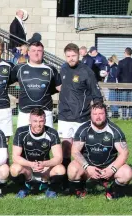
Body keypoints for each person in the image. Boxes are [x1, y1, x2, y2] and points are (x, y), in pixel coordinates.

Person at [58, 43, 103, 187]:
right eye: (68, 56)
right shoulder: (63, 68)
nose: (71, 59)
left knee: (79, 150)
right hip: (65, 115)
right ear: (65, 56)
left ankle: (82, 178)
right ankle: (65, 178)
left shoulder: (87, 71)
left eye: (74, 56)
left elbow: (96, 95)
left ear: (79, 55)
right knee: (65, 147)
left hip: (81, 116)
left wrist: (97, 114)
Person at [68, 102, 132, 199]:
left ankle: (112, 191)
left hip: (108, 168)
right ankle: (81, 189)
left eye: (101, 114)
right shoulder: (83, 129)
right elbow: (75, 151)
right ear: (91, 115)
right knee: (72, 169)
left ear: (106, 114)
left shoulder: (115, 130)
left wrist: (112, 169)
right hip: (88, 168)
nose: (98, 117)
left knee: (127, 173)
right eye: (95, 114)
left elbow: (124, 153)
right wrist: (87, 167)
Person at [10, 108, 65, 198]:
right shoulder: (21, 132)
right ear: (29, 121)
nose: (38, 124)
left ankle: (49, 188)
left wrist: (43, 163)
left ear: (45, 121)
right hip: (28, 168)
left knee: (60, 169)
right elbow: (15, 157)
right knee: (14, 168)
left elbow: (59, 158)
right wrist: (31, 164)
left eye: (41, 121)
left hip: (44, 169)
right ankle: (25, 187)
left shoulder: (52, 133)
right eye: (35, 121)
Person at [11, 41, 61, 128]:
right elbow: (5, 82)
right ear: (28, 53)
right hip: (25, 113)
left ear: (43, 53)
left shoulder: (51, 69)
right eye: (33, 51)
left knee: (46, 140)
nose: (36, 53)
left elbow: (59, 87)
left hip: (45, 112)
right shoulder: (19, 68)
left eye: (39, 51)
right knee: (23, 140)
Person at [117, 47, 132, 119]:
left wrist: (119, 83)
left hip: (123, 84)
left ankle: (124, 116)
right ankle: (131, 116)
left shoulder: (121, 62)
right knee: (131, 101)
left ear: (125, 53)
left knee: (123, 101)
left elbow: (118, 74)